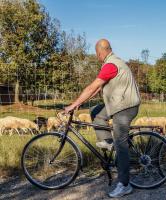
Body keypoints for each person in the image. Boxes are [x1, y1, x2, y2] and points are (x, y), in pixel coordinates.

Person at [64, 39, 141, 197]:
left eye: (96, 53)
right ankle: (108, 143)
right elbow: (96, 89)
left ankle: (124, 184)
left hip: (126, 106)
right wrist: (80, 102)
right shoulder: (112, 63)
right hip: (119, 103)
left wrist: (72, 105)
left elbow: (92, 86)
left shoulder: (110, 65)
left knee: (121, 143)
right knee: (96, 112)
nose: (97, 56)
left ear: (100, 52)